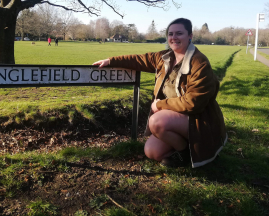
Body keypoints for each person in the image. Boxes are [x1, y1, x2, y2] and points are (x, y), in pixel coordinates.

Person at [92, 18, 227, 168]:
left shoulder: (199, 63)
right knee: (152, 152)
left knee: (156, 121)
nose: (174, 37)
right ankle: (185, 148)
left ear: (190, 36)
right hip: (173, 117)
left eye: (179, 33)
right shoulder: (165, 57)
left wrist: (160, 105)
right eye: (170, 34)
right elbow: (139, 60)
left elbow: (193, 102)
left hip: (197, 119)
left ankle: (186, 153)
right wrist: (111, 61)